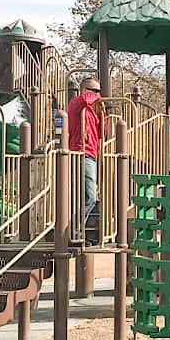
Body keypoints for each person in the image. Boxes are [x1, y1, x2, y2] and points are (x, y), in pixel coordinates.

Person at [67, 78, 107, 240]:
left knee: (83, 196)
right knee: (89, 197)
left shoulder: (92, 112)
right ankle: (72, 229)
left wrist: (102, 115)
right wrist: (97, 99)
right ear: (85, 90)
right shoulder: (76, 103)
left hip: (91, 154)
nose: (98, 94)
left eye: (99, 91)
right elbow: (85, 99)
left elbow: (101, 134)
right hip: (80, 153)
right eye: (95, 91)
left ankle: (74, 229)